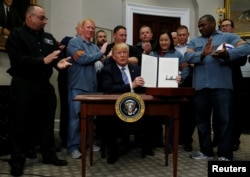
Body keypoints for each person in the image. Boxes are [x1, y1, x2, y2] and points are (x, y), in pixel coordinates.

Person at [5, 4, 71, 176]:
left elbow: (55, 58)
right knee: (19, 123)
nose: (44, 21)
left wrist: (59, 64)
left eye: (45, 18)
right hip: (23, 84)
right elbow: (17, 60)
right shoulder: (16, 35)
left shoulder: (49, 38)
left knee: (47, 122)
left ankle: (49, 154)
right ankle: (17, 160)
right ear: (30, 18)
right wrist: (42, 61)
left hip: (44, 84)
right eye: (41, 18)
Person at [185, 14, 250, 161]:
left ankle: (225, 154)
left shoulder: (227, 37)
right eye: (199, 26)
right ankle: (206, 151)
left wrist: (228, 53)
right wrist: (202, 53)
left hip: (222, 87)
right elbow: (187, 57)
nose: (201, 28)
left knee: (225, 121)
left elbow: (246, 47)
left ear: (213, 23)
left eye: (203, 25)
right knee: (202, 121)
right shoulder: (194, 41)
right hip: (200, 87)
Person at [100, 42, 157, 164]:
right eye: (119, 53)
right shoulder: (107, 70)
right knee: (107, 120)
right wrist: (132, 85)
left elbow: (146, 88)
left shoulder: (136, 69)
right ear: (113, 56)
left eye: (124, 52)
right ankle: (113, 151)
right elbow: (108, 88)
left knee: (151, 115)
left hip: (136, 106)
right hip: (115, 108)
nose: (122, 55)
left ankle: (146, 147)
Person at [66, 18, 108, 159]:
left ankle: (89, 142)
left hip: (92, 88)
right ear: (81, 28)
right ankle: (73, 146)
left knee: (91, 118)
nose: (91, 30)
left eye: (93, 28)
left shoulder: (93, 47)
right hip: (77, 86)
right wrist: (101, 52)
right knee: (76, 119)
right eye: (89, 27)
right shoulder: (74, 43)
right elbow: (83, 59)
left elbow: (102, 61)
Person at [148, 29, 189, 150]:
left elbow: (186, 68)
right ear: (158, 41)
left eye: (166, 40)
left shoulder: (177, 54)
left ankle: (170, 144)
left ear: (170, 41)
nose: (164, 42)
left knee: (171, 119)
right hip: (155, 91)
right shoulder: (152, 54)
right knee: (154, 117)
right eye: (161, 40)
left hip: (171, 91)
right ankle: (157, 141)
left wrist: (181, 77)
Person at [211, 19, 247, 151]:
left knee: (234, 113)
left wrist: (227, 55)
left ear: (233, 28)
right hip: (218, 81)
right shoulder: (215, 42)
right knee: (217, 113)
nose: (224, 28)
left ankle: (234, 140)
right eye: (222, 26)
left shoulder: (239, 42)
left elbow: (242, 60)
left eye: (227, 26)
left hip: (234, 82)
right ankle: (216, 139)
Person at [57, 21, 82, 148]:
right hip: (65, 79)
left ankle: (78, 140)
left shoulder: (89, 45)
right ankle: (65, 138)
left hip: (79, 81)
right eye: (82, 28)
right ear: (77, 29)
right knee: (66, 110)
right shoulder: (68, 40)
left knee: (78, 112)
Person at [175, 25, 195, 152]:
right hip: (175, 82)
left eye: (184, 34)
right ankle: (178, 138)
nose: (182, 37)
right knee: (178, 111)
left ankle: (188, 140)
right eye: (179, 35)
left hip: (189, 81)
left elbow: (192, 62)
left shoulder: (191, 48)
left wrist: (188, 64)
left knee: (190, 112)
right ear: (176, 36)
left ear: (188, 34)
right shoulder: (173, 49)